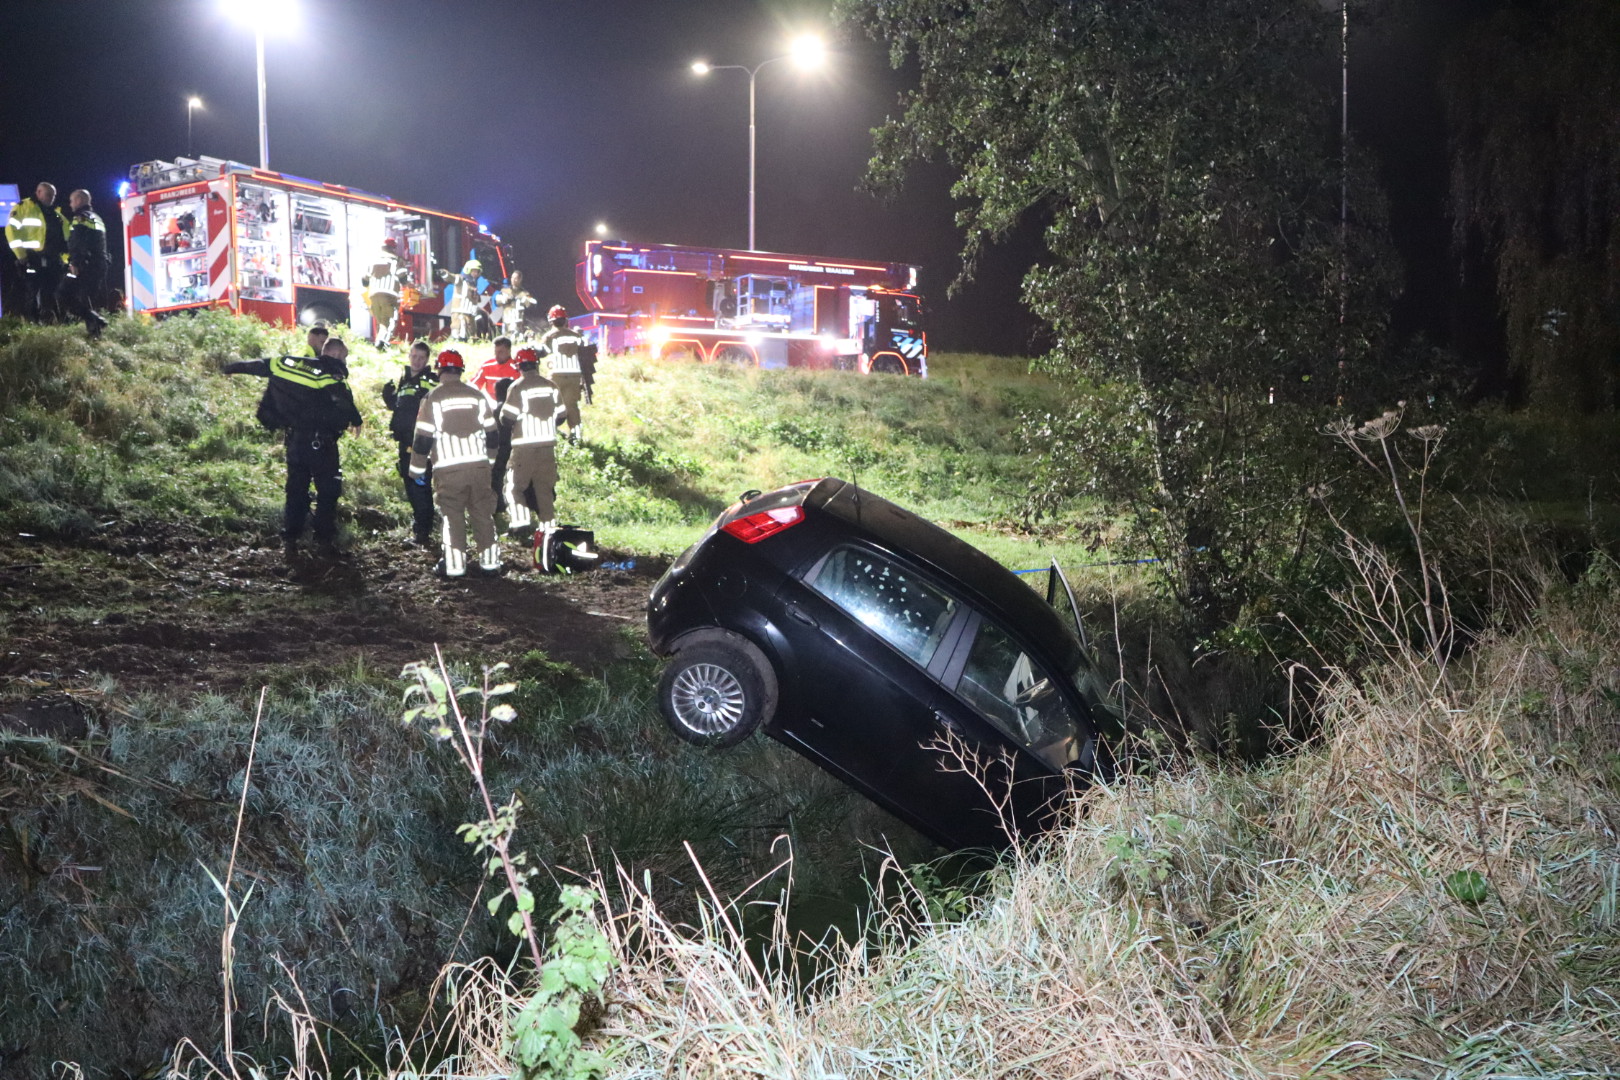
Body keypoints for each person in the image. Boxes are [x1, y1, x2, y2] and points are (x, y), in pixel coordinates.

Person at [223, 337, 363, 559]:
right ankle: (323, 538)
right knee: (328, 490)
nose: (344, 362)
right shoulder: (331, 371)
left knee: (296, 489)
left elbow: (260, 365)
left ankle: (291, 537)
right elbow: (340, 397)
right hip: (321, 444)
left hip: (295, 442)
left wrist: (231, 367)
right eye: (344, 357)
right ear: (336, 354)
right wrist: (356, 419)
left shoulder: (290, 363)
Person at [409, 349, 502, 578]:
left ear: (439, 370)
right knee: (482, 514)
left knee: (452, 516)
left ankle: (454, 566)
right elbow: (493, 435)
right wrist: (488, 463)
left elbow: (422, 438)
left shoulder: (432, 398)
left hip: (449, 470)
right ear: (460, 370)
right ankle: (490, 564)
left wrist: (416, 470)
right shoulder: (477, 396)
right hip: (479, 468)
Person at [499, 346, 566, 545]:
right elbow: (562, 416)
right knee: (544, 489)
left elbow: (506, 418)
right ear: (536, 364)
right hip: (547, 448)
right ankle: (548, 531)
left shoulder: (518, 387)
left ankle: (520, 525)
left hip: (523, 449)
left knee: (514, 488)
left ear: (519, 366)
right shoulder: (551, 386)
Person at [381, 340, 439, 546]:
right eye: (414, 356)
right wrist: (389, 398)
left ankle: (423, 532)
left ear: (427, 360)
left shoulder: (431, 380)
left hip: (421, 443)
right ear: (409, 355)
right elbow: (402, 408)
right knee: (412, 485)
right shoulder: (405, 380)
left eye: (421, 358)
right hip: (404, 442)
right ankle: (420, 528)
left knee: (419, 486)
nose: (416, 360)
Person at [6, 182, 70, 323]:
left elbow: (66, 240)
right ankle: (32, 324)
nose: (51, 198)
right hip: (32, 258)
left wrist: (65, 259)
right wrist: (21, 255)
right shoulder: (24, 207)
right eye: (48, 195)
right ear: (38, 192)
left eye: (53, 196)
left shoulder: (57, 215)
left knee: (51, 292)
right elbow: (11, 231)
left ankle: (48, 323)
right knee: (32, 292)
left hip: (53, 260)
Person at [473, 337, 521, 510]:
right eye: (495, 351)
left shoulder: (516, 369)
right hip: (492, 412)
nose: (497, 355)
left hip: (512, 415)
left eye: (501, 352)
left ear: (509, 351)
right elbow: (473, 386)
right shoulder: (487, 366)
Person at [538, 304, 588, 442]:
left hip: (556, 376)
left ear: (551, 320)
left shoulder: (550, 336)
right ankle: (576, 435)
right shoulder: (576, 336)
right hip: (575, 377)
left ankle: (552, 433)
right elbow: (586, 354)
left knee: (552, 405)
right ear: (566, 320)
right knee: (572, 406)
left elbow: (543, 352)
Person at [64, 189, 109, 337]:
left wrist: (75, 263)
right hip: (99, 264)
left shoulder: (80, 218)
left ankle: (95, 320)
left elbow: (78, 243)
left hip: (86, 264)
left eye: (71, 201)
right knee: (87, 298)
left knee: (63, 294)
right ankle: (95, 333)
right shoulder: (97, 218)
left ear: (78, 200)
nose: (70, 205)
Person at [362, 238, 407, 348]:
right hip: (389, 295)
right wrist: (405, 283)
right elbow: (403, 278)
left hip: (373, 296)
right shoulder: (397, 260)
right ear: (393, 248)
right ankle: (382, 343)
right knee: (388, 320)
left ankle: (379, 342)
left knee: (380, 321)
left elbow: (364, 280)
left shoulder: (373, 259)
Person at [441, 258, 485, 341]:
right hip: (459, 312)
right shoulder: (461, 280)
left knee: (471, 331)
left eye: (477, 271)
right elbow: (451, 277)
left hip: (470, 313)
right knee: (457, 329)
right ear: (468, 270)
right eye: (474, 271)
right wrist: (444, 273)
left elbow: (476, 299)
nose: (476, 273)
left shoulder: (473, 285)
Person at [497, 270, 533, 340]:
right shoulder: (505, 291)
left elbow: (530, 303)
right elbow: (497, 302)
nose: (513, 280)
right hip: (507, 319)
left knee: (516, 338)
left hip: (518, 321)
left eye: (515, 278)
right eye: (512, 278)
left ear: (520, 279)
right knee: (505, 339)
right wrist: (505, 299)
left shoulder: (524, 293)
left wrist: (523, 299)